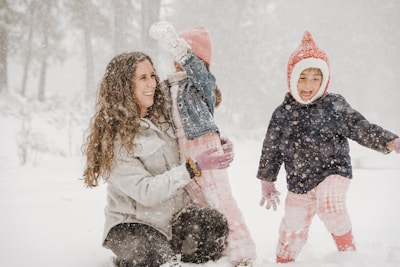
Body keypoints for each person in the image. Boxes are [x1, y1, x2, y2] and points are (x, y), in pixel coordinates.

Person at [256, 31, 400, 263]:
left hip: (333, 172)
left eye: (316, 78)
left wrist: (390, 141)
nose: (308, 84)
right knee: (291, 229)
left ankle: (349, 255)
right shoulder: (282, 114)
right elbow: (271, 149)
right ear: (291, 78)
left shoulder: (334, 105)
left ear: (325, 80)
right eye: (302, 77)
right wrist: (266, 179)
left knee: (331, 204)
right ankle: (284, 261)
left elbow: (361, 127)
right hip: (299, 181)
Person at [82, 51, 235, 267]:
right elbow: (146, 192)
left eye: (153, 76)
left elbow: (189, 137)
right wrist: (192, 168)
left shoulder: (165, 116)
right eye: (143, 78)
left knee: (214, 226)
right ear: (124, 86)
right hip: (133, 224)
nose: (152, 83)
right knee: (158, 260)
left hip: (172, 219)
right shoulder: (114, 138)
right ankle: (135, 257)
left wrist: (214, 144)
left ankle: (176, 253)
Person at [150, 21, 257, 266]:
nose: (176, 59)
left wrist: (175, 43)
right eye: (175, 54)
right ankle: (220, 247)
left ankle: (243, 249)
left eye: (185, 53)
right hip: (184, 150)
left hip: (204, 145)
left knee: (221, 199)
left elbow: (195, 68)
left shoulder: (201, 82)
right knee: (200, 201)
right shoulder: (169, 84)